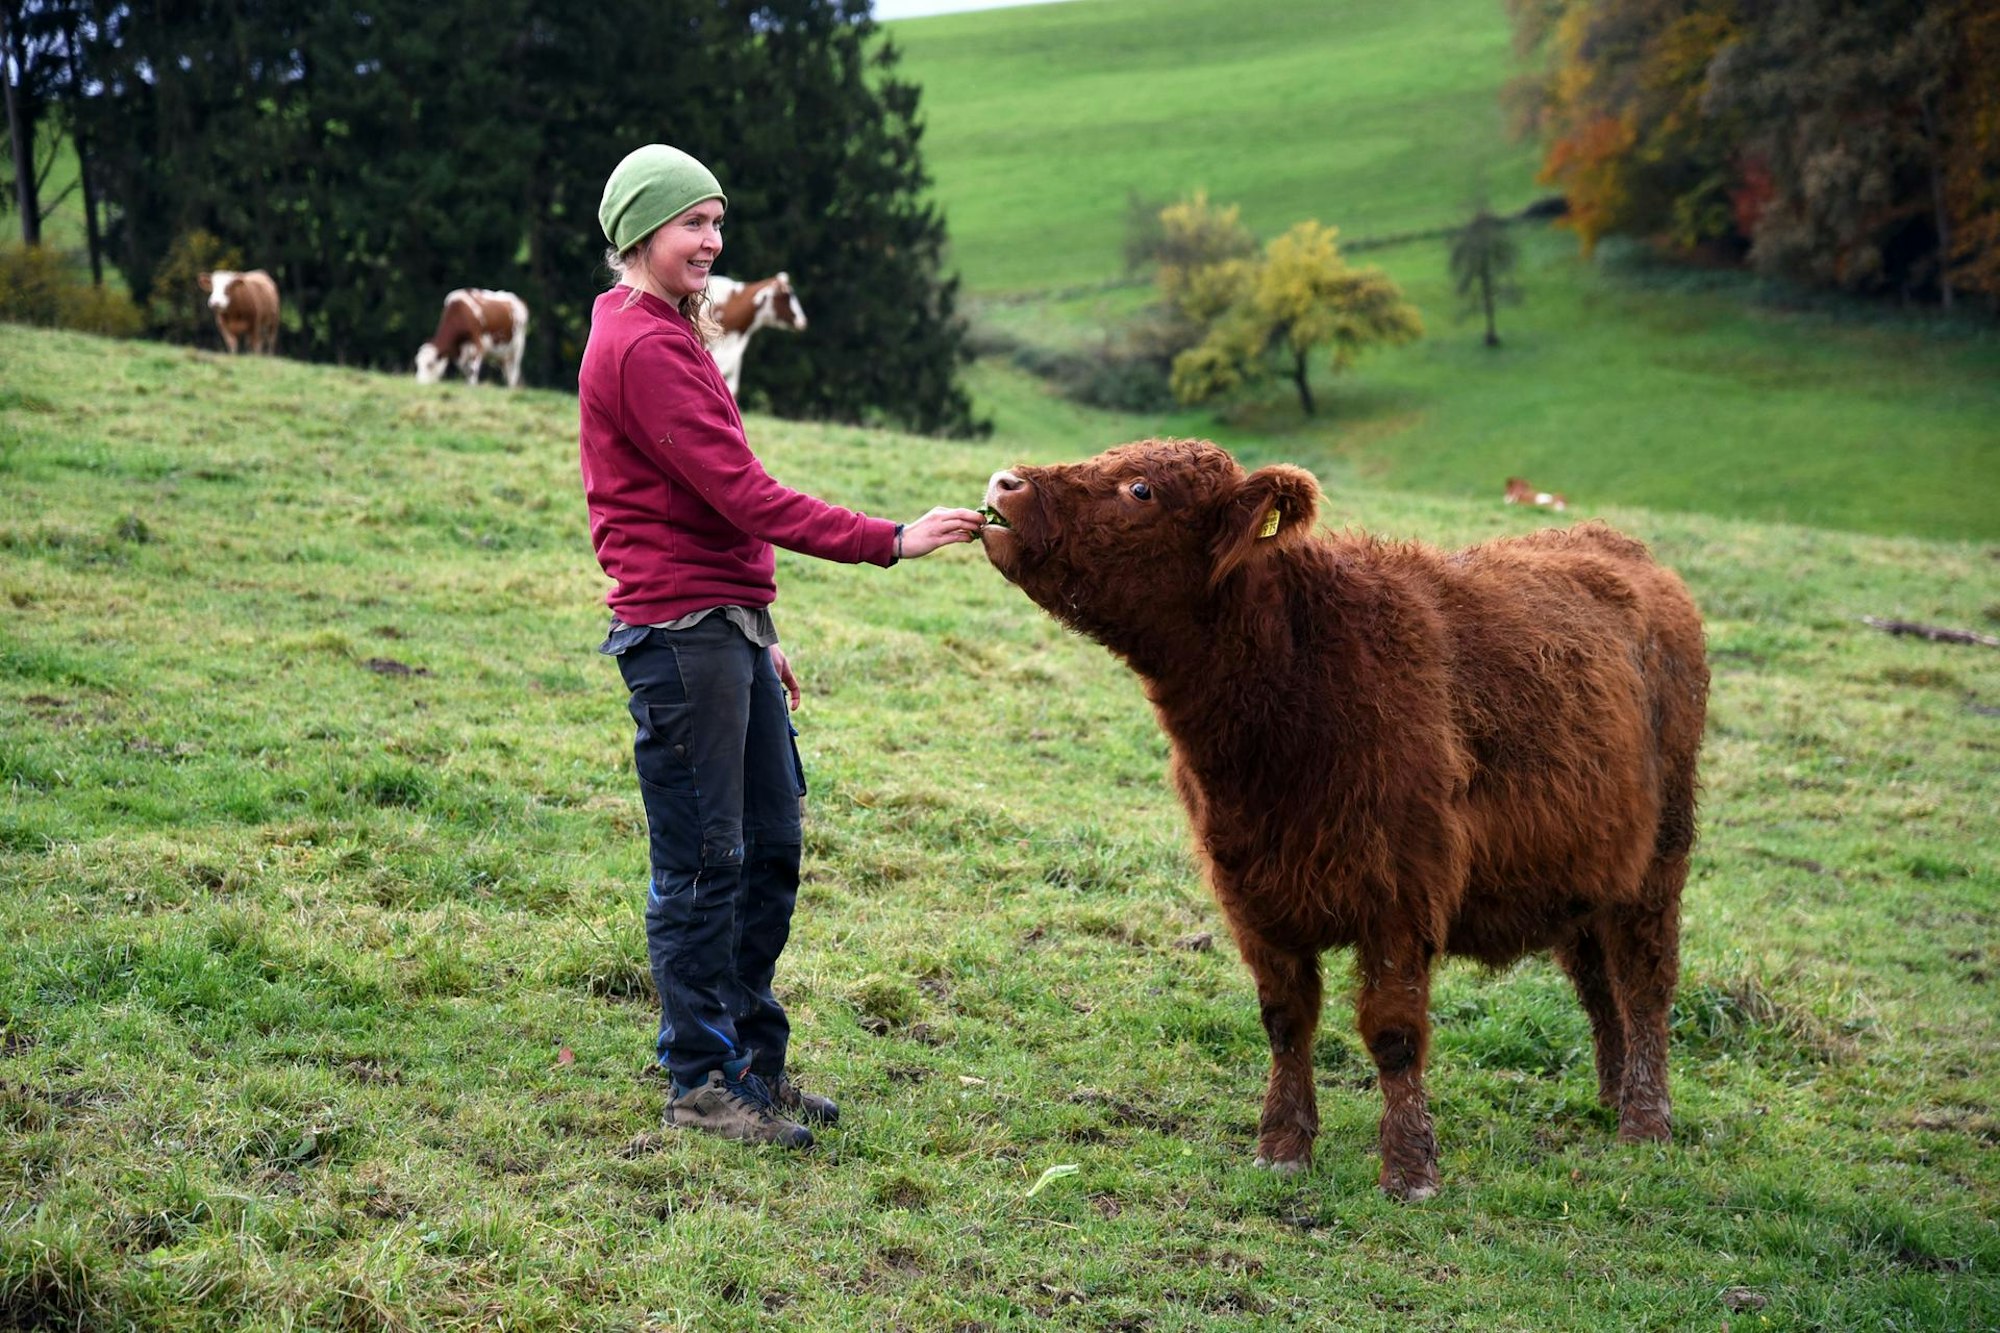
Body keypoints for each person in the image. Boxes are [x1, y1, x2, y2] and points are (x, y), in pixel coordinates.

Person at [578, 143, 985, 1149]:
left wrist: (760, 632)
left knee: (767, 850)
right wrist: (889, 539)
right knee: (703, 861)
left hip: (724, 632)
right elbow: (744, 494)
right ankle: (701, 1084)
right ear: (640, 232)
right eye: (691, 225)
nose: (711, 243)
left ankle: (751, 1062)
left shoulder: (669, 331)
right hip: (681, 638)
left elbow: (715, 502)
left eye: (718, 224)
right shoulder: (639, 345)